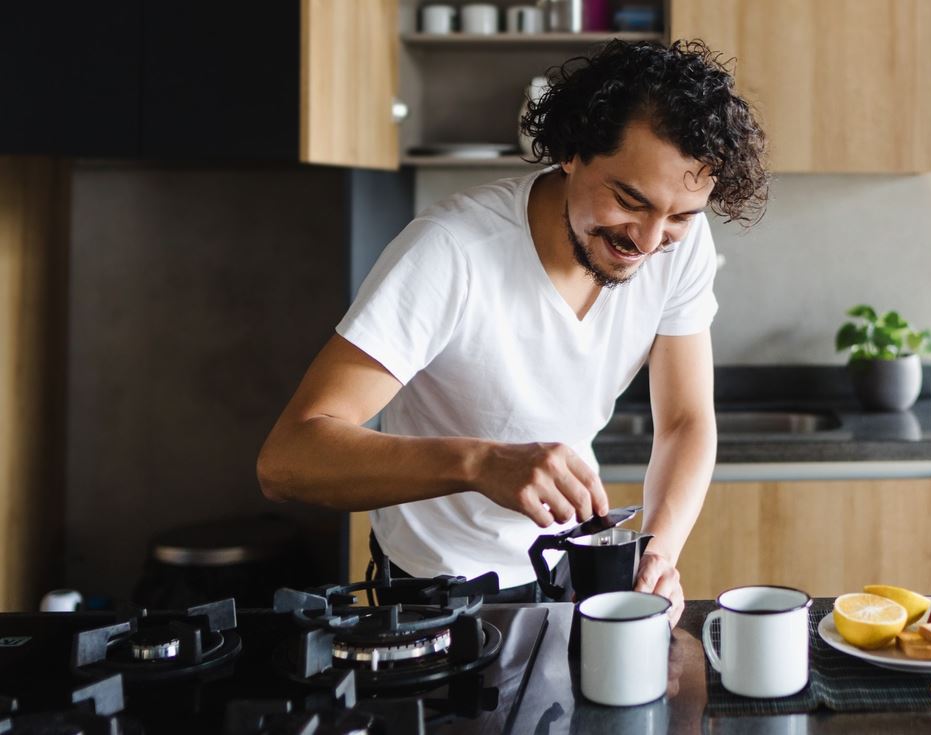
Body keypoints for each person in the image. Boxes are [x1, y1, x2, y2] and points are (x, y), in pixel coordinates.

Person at [256, 39, 768, 625]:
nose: (649, 243)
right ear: (572, 151)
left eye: (679, 217)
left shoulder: (680, 246)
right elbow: (288, 459)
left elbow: (684, 421)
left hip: (569, 568)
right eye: (630, 200)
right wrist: (481, 464)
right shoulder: (452, 252)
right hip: (437, 590)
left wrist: (660, 550)